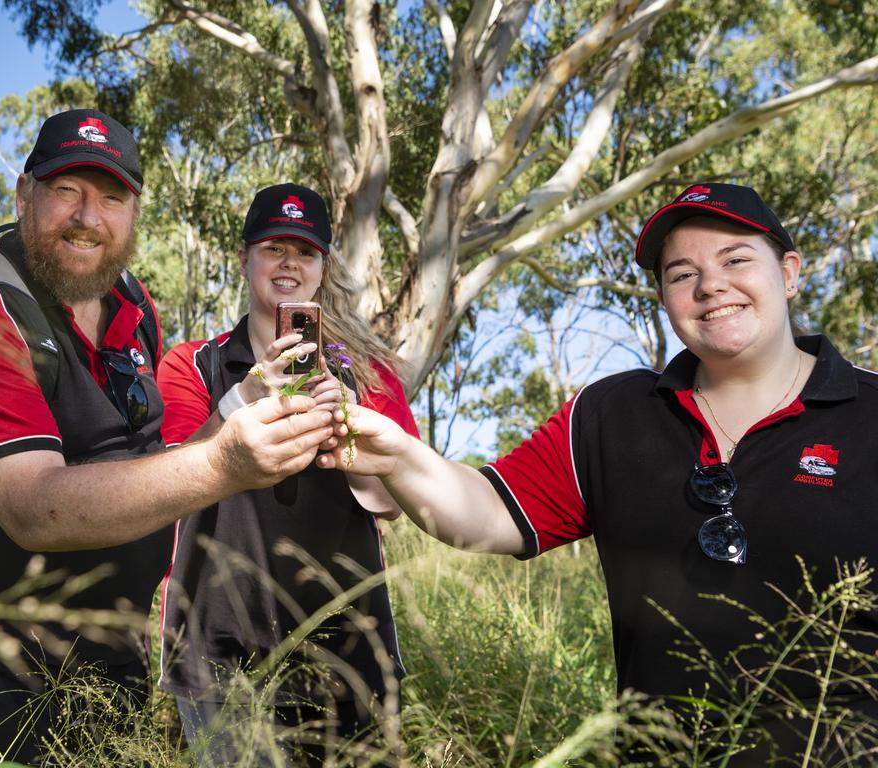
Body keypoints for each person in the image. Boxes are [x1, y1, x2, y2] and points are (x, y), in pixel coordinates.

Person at [317, 183, 878, 764]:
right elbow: (486, 513)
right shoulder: (611, 415)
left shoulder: (869, 412)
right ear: (663, 296)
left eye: (736, 260)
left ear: (788, 272)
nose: (711, 285)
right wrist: (399, 457)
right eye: (682, 273)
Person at [0, 111, 338, 766]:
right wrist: (226, 464)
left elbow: (160, 463)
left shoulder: (134, 308)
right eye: (67, 189)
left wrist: (244, 402)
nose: (88, 217)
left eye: (111, 197)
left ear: (134, 211)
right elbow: (31, 507)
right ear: (25, 196)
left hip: (109, 660)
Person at [156, 183, 419, 764]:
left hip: (350, 642)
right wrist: (240, 398)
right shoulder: (192, 365)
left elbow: (391, 503)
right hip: (218, 647)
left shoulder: (372, 376)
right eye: (274, 247)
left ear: (323, 268)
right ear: (245, 258)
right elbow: (164, 481)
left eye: (304, 251)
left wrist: (346, 426)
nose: (289, 264)